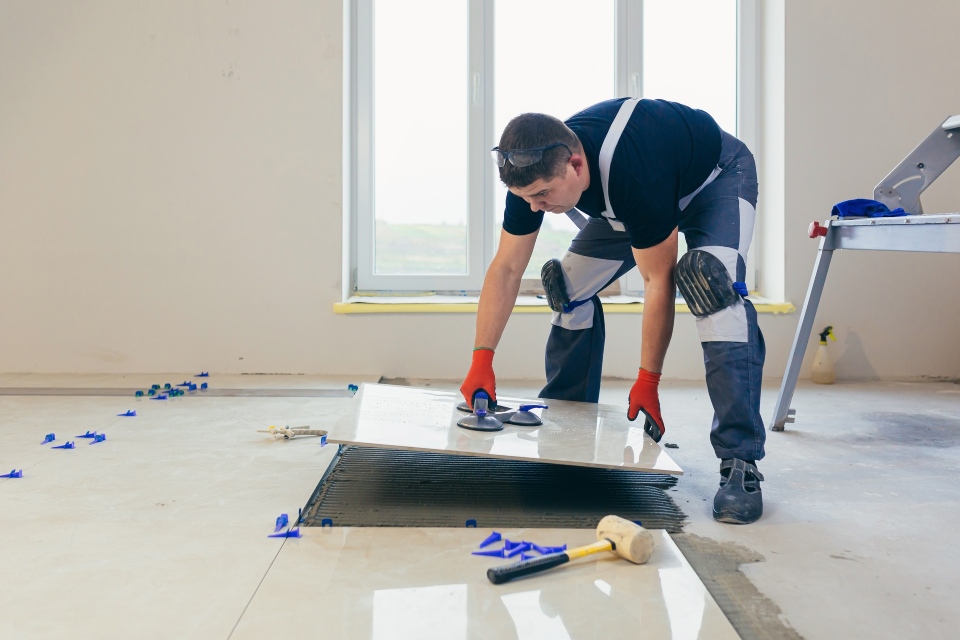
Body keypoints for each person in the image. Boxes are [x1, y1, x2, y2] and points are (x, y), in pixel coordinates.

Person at [459, 98, 766, 524]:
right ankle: (567, 425)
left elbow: (659, 281)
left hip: (714, 180)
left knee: (711, 287)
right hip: (635, 201)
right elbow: (508, 267)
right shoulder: (531, 172)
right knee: (565, 287)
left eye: (543, 195)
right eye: (526, 198)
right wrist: (482, 358)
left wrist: (648, 381)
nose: (535, 207)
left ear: (577, 165)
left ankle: (740, 463)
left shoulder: (634, 170)